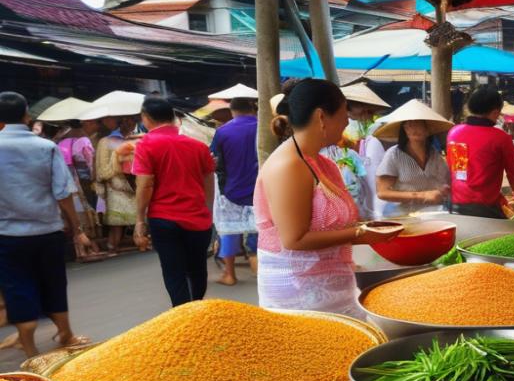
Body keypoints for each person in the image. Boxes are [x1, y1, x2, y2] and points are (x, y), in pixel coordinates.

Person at [254, 79, 398, 317]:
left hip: (332, 283)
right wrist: (360, 233)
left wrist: (372, 229)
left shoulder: (322, 163)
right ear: (321, 117)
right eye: (343, 114)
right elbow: (294, 239)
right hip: (300, 292)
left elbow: (332, 225)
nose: (347, 122)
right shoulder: (289, 165)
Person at [0, 92, 92, 357]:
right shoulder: (46, 147)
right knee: (53, 280)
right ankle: (65, 333)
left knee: (16, 283)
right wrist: (77, 228)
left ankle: (28, 346)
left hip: (6, 234)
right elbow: (63, 192)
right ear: (27, 116)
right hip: (47, 230)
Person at [132, 97, 215, 307]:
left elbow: (145, 185)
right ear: (173, 117)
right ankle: (196, 308)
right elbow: (209, 182)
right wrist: (208, 211)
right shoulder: (198, 146)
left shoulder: (146, 145)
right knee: (197, 269)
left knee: (173, 271)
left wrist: (139, 220)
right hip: (198, 217)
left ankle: (183, 317)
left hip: (164, 218)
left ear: (146, 118)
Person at [446, 86, 514, 219]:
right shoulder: (500, 137)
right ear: (495, 112)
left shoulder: (454, 132)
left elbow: (456, 167)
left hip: (455, 204)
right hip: (486, 207)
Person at [210, 97, 259, 286]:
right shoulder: (263, 127)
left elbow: (214, 159)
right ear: (252, 109)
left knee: (228, 229)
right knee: (261, 227)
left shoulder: (222, 132)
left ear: (232, 111)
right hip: (261, 187)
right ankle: (259, 265)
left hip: (231, 188)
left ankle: (229, 274)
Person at [374, 99, 452, 216]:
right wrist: (421, 196)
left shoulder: (434, 155)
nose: (412, 127)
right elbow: (382, 192)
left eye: (418, 123)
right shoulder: (394, 155)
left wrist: (444, 189)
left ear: (427, 129)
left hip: (433, 214)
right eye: (408, 124)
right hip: (403, 215)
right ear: (404, 129)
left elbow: (444, 182)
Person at [341, 83, 391, 218]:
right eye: (365, 111)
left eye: (369, 112)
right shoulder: (343, 128)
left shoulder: (374, 128)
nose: (366, 115)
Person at [94, 114, 140, 252]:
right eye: (128, 120)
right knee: (117, 225)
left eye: (133, 120)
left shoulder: (136, 138)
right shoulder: (106, 141)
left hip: (135, 184)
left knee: (137, 219)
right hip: (116, 185)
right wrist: (118, 159)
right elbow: (102, 171)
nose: (131, 123)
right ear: (122, 122)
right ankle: (112, 247)